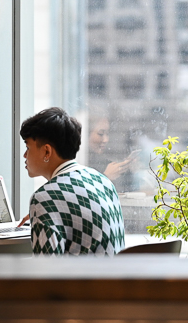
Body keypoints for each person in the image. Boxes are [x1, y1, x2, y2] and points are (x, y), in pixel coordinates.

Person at [19, 107, 125, 255]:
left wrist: (42, 208)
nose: (24, 155)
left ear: (47, 152)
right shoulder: (102, 181)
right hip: (113, 277)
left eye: (28, 147)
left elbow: (45, 269)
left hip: (81, 278)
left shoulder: (44, 198)